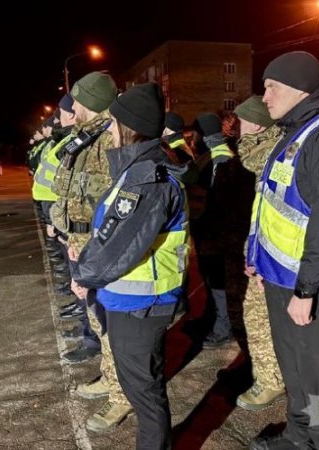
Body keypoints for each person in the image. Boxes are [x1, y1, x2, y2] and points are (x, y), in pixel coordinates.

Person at [246, 51, 319, 450]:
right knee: (293, 367)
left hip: (308, 285)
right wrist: (258, 260)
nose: (264, 97)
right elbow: (275, 203)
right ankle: (298, 437)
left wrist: (307, 289)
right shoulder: (295, 132)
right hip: (282, 277)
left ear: (299, 89)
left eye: (271, 87)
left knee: (317, 377)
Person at [72, 82, 190, 450]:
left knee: (144, 393)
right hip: (131, 300)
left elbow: (119, 246)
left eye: (113, 122)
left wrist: (84, 274)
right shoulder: (137, 170)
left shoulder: (146, 179)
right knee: (140, 386)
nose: (109, 128)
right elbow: (111, 231)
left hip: (141, 304)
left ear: (129, 127)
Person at [49, 71, 135, 432]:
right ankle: (110, 376)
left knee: (112, 322)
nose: (73, 104)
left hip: (100, 246)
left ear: (89, 100)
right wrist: (71, 236)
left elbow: (117, 203)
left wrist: (94, 246)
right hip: (81, 243)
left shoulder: (111, 137)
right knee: (99, 320)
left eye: (77, 97)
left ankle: (122, 395)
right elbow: (73, 192)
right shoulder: (87, 136)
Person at [226, 96, 287, 411]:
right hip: (257, 248)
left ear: (259, 125)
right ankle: (263, 371)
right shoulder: (260, 149)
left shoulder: (271, 152)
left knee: (260, 319)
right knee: (253, 316)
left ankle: (271, 381)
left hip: (274, 255)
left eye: (243, 121)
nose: (237, 128)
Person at [190, 112, 236, 349]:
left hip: (216, 235)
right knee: (210, 280)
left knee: (219, 283)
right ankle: (211, 320)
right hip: (206, 231)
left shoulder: (221, 158)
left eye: (195, 132)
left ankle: (223, 329)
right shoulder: (209, 154)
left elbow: (223, 201)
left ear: (202, 133)